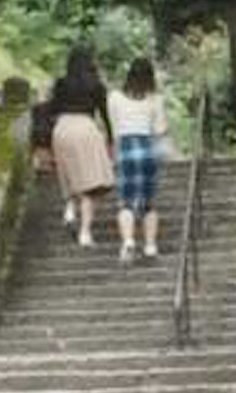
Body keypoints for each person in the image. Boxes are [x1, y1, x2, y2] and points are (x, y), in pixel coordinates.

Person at [46, 47, 115, 249]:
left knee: (68, 173)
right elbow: (105, 114)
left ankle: (69, 208)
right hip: (85, 128)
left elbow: (52, 109)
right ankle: (84, 233)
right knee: (89, 185)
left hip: (61, 128)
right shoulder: (96, 85)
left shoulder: (60, 83)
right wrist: (110, 138)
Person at [113, 52, 177, 260]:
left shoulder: (114, 97)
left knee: (125, 202)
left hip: (125, 149)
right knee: (148, 203)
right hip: (146, 148)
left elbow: (114, 129)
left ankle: (128, 240)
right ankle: (150, 245)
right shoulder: (155, 100)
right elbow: (160, 130)